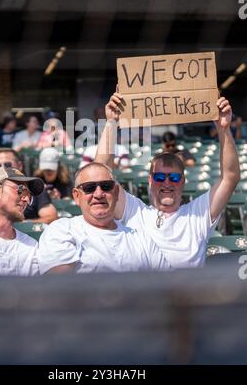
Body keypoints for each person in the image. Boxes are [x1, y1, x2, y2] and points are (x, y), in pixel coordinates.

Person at [94, 91, 240, 268]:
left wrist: (223, 129)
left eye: (174, 177)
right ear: (150, 180)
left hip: (187, 294)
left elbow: (230, 178)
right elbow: (100, 175)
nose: (167, 183)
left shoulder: (197, 214)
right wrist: (111, 122)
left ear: (183, 181)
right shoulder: (135, 212)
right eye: (160, 177)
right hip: (147, 294)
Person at [38, 162, 169, 274]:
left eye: (106, 186)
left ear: (116, 193)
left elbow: (168, 283)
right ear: (77, 196)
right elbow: (60, 289)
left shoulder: (141, 239)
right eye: (89, 188)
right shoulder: (62, 230)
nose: (99, 194)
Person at [0, 148, 58, 224]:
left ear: (19, 165)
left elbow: (51, 217)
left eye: (7, 165)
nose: (3, 168)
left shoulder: (33, 188)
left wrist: (24, 225)